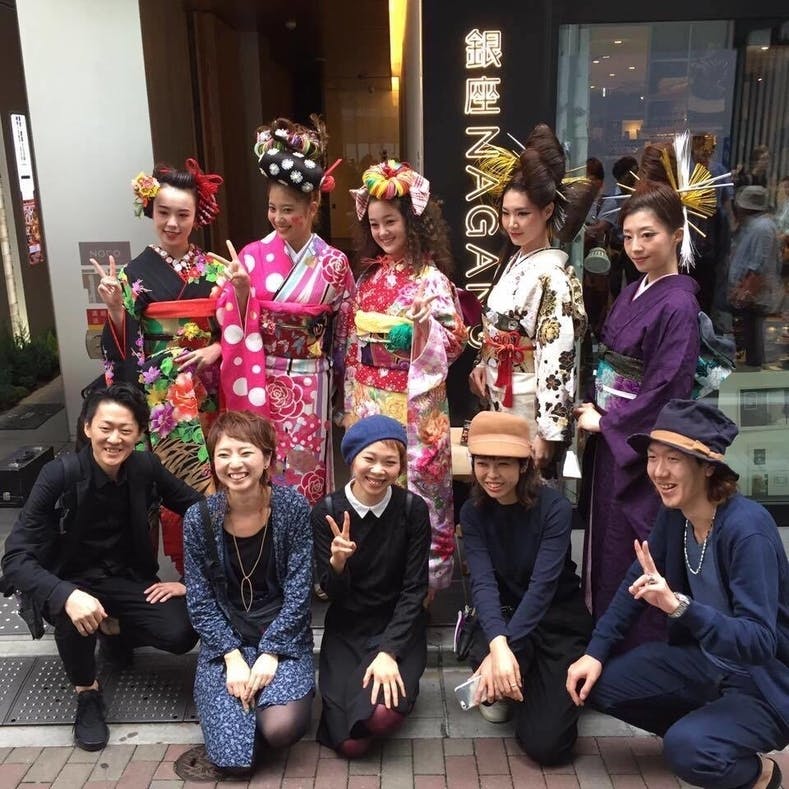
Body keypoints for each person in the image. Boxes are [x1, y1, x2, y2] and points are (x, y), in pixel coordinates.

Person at [566, 399, 788, 789]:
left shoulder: (748, 530)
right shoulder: (676, 516)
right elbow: (635, 582)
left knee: (688, 750)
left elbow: (759, 641)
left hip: (762, 682)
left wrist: (681, 607)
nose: (659, 471)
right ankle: (706, 733)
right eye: (653, 457)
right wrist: (594, 652)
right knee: (597, 683)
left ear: (707, 466)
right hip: (706, 664)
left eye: (674, 459)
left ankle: (757, 772)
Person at [1, 383, 200, 751]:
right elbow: (14, 558)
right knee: (72, 611)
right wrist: (64, 593)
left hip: (127, 579)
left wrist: (193, 580)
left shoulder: (145, 467)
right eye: (105, 428)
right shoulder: (58, 475)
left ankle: (113, 629)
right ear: (87, 427)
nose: (114, 439)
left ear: (139, 434)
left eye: (125, 430)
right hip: (70, 581)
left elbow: (201, 510)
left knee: (182, 632)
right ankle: (87, 693)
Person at [575, 140, 706, 648]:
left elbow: (668, 387)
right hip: (614, 438)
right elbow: (610, 359)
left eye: (648, 235)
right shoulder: (633, 291)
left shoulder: (679, 305)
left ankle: (638, 650)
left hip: (644, 450)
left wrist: (607, 421)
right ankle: (603, 641)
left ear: (677, 235)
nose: (635, 247)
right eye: (628, 236)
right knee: (607, 540)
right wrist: (597, 405)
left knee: (635, 542)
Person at [212, 116, 354, 505]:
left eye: (288, 209)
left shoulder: (334, 263)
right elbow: (227, 317)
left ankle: (308, 538)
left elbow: (345, 332)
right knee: (262, 468)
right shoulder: (251, 256)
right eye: (272, 208)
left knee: (307, 471)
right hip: (262, 376)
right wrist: (242, 293)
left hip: (312, 380)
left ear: (313, 205)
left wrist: (347, 394)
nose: (277, 218)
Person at [94, 159, 225, 573]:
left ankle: (217, 567)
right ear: (150, 211)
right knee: (172, 479)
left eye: (182, 214)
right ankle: (183, 568)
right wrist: (116, 310)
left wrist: (217, 348)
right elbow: (120, 347)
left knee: (218, 471)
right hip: (161, 396)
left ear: (196, 217)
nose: (172, 223)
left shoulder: (217, 270)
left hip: (208, 390)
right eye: (163, 212)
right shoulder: (133, 274)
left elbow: (239, 329)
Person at [344, 161, 467, 593]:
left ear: (412, 222)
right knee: (373, 484)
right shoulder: (368, 279)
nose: (382, 232)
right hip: (369, 400)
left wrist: (418, 333)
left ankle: (423, 583)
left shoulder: (431, 280)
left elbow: (454, 342)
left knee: (419, 490)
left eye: (391, 222)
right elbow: (353, 347)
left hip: (415, 405)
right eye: (375, 224)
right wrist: (350, 405)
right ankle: (374, 576)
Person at [178, 411, 314, 779]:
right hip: (227, 640)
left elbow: (300, 592)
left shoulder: (292, 507)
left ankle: (278, 702)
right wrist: (232, 656)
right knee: (234, 762)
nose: (234, 464)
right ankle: (241, 717)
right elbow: (200, 600)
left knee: (280, 729)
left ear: (267, 458)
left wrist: (272, 652)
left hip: (282, 636)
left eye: (245, 452)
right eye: (223, 454)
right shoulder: (198, 518)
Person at [458, 411, 592, 764]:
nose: (491, 474)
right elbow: (483, 583)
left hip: (556, 620)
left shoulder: (555, 508)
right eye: (482, 463)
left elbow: (542, 588)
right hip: (504, 617)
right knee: (487, 651)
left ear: (524, 465)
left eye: (503, 463)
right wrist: (498, 645)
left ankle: (527, 681)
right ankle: (511, 679)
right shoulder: (472, 512)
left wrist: (502, 653)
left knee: (547, 746)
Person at [468, 123, 593, 477]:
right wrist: (483, 361)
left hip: (528, 399)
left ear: (547, 211)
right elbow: (496, 328)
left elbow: (557, 355)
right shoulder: (516, 260)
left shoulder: (552, 275)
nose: (512, 223)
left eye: (522, 213)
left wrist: (548, 432)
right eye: (506, 213)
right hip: (501, 388)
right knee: (499, 477)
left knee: (523, 481)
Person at [312, 415, 430, 757]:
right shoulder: (327, 512)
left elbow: (415, 588)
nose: (378, 470)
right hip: (347, 627)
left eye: (390, 462)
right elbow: (331, 594)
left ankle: (401, 683)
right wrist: (337, 563)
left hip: (398, 625)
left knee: (378, 716)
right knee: (349, 743)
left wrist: (389, 651)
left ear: (400, 467)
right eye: (369, 459)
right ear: (352, 459)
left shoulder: (412, 509)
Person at [727, 185, 783, 368]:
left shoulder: (762, 228)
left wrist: (746, 291)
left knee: (755, 340)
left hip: (755, 295)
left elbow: (758, 264)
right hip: (749, 291)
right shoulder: (753, 226)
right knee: (750, 337)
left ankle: (755, 371)